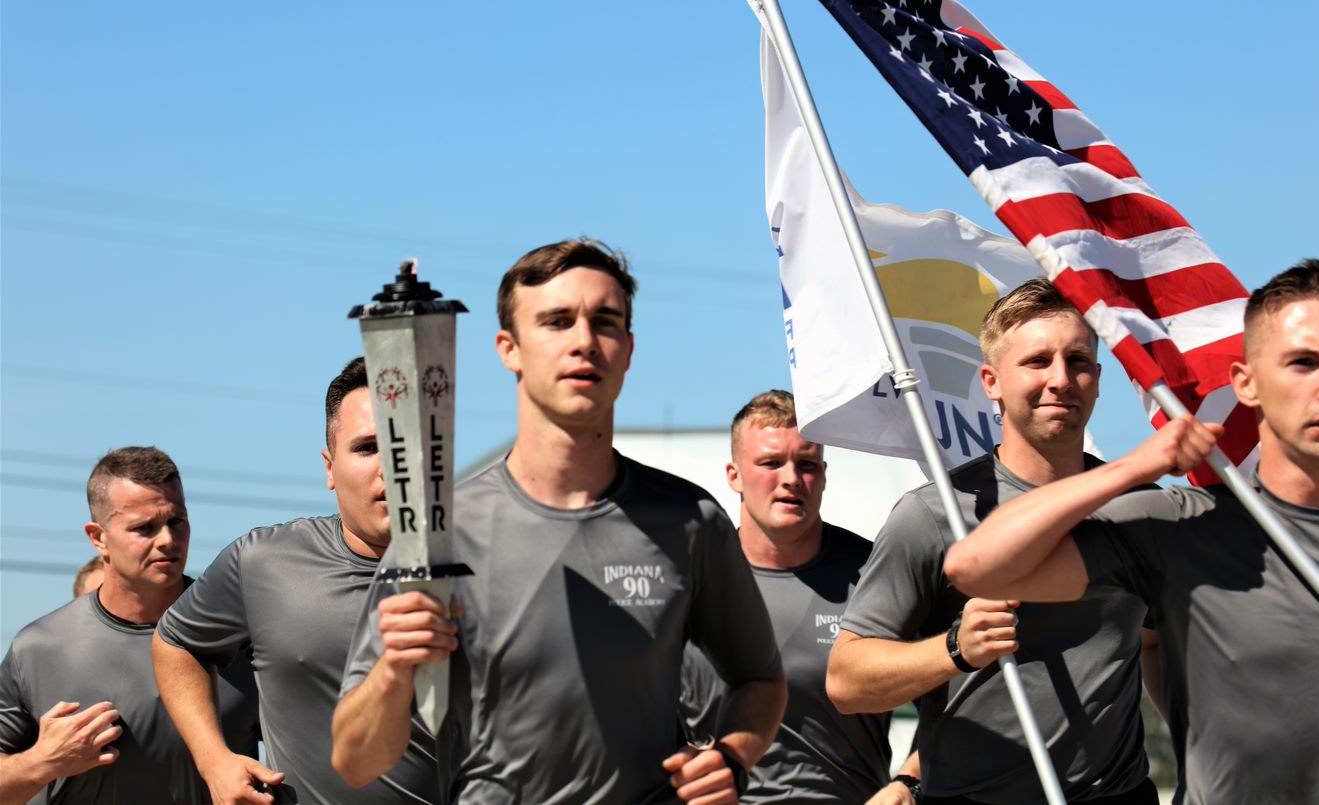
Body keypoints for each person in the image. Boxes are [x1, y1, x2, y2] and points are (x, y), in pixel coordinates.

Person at [333, 239, 787, 805]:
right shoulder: (438, 533)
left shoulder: (689, 521)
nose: (583, 342)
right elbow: (354, 762)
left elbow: (762, 680)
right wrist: (395, 671)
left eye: (605, 321)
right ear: (509, 348)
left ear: (628, 348)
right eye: (555, 321)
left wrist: (731, 757)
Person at [946, 260, 1319, 804]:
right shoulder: (1181, 525)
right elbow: (974, 565)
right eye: (1302, 363)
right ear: (1245, 383)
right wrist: (1134, 467)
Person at [826, 278, 1160, 804]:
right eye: (1036, 362)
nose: (1060, 379)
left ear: (1097, 378)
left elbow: (1155, 640)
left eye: (1077, 360)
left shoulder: (1141, 507)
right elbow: (847, 682)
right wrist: (954, 650)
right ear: (991, 381)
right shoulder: (934, 515)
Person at [152, 357, 441, 805]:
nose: (391, 466)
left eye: (406, 444)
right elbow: (175, 643)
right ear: (329, 467)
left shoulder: (492, 564)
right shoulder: (264, 563)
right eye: (368, 448)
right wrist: (214, 762)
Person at [679, 389, 920, 804]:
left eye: (806, 464)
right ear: (733, 475)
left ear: (823, 475)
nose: (791, 478)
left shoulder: (875, 573)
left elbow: (956, 701)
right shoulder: (687, 581)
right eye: (771, 463)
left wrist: (909, 783)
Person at [0, 447, 258, 804]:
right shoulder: (39, 648)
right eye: (144, 528)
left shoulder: (246, 634)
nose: (167, 539)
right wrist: (41, 762)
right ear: (98, 537)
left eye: (176, 521)